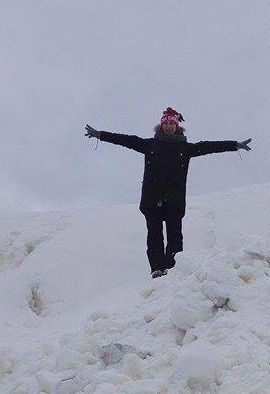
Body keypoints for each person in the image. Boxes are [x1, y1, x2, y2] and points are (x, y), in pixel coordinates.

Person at [85, 108, 252, 278]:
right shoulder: (150, 145)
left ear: (177, 126)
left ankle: (172, 269)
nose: (169, 126)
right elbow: (126, 140)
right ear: (161, 125)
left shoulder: (185, 148)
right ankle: (157, 269)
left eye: (172, 123)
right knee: (154, 236)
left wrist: (234, 145)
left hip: (174, 200)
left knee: (175, 237)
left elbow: (209, 147)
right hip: (152, 200)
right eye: (166, 123)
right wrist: (101, 135)